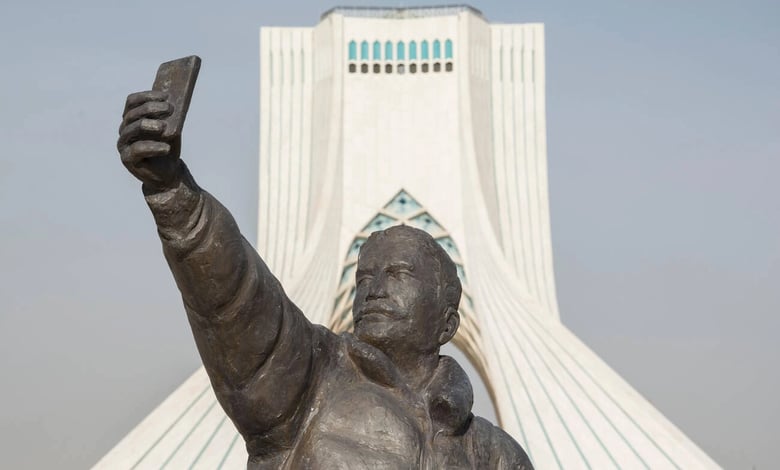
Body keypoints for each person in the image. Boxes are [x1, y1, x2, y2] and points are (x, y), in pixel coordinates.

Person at [118, 90, 534, 469]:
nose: (374, 288)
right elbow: (236, 301)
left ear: (447, 323)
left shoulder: (495, 455)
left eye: (398, 273)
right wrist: (173, 194)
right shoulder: (308, 380)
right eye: (365, 276)